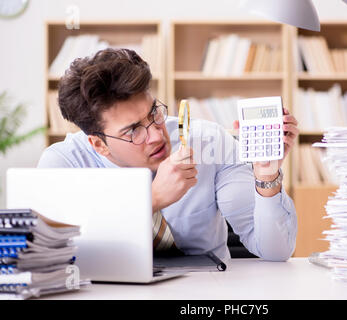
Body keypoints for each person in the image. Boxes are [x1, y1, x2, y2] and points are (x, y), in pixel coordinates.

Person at [38, 48, 299, 262]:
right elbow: (55, 258)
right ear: (99, 145)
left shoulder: (209, 141)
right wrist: (151, 200)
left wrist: (267, 177)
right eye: (133, 130)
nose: (156, 134)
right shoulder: (64, 165)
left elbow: (275, 252)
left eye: (154, 113)